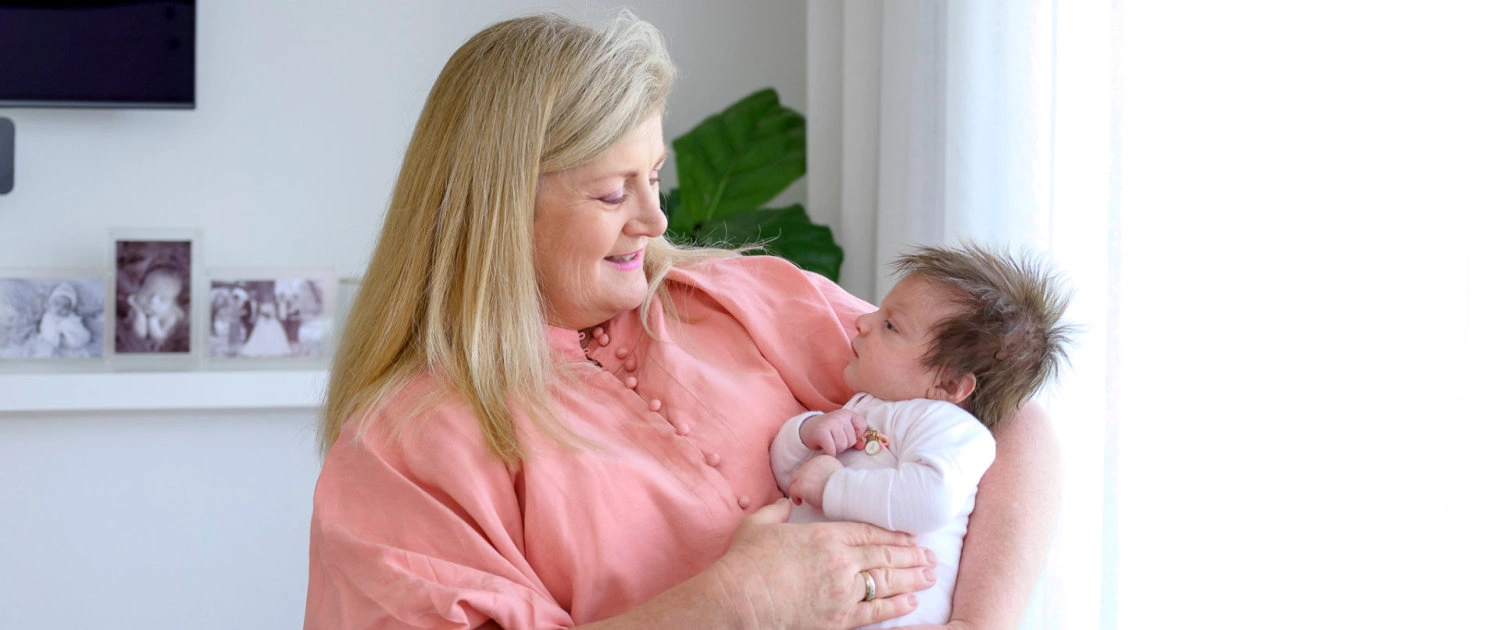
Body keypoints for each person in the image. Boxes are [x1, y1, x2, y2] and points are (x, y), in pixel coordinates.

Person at [306, 12, 1062, 630]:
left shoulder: (747, 297)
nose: (654, 218)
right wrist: (726, 609)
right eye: (611, 193)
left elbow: (1007, 415)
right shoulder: (405, 447)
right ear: (499, 210)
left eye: (655, 175)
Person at [772, 245, 1072, 628]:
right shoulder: (865, 405)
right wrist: (805, 432)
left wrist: (832, 485)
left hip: (895, 613)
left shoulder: (957, 432)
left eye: (891, 326)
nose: (862, 320)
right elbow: (791, 480)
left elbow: (929, 499)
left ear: (949, 384)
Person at [118, 265, 188, 353]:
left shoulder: (171, 316)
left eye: (163, 299)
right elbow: (139, 335)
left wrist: (153, 320)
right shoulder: (137, 305)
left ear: (172, 303)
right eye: (147, 293)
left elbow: (159, 338)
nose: (152, 301)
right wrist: (139, 312)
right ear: (139, 290)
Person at [37, 282, 93, 354]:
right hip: (53, 342)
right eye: (57, 304)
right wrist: (54, 335)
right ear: (50, 304)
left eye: (65, 306)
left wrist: (66, 329)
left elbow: (78, 329)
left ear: (70, 309)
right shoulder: (48, 316)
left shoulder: (71, 318)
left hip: (70, 343)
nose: (60, 308)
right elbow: (45, 328)